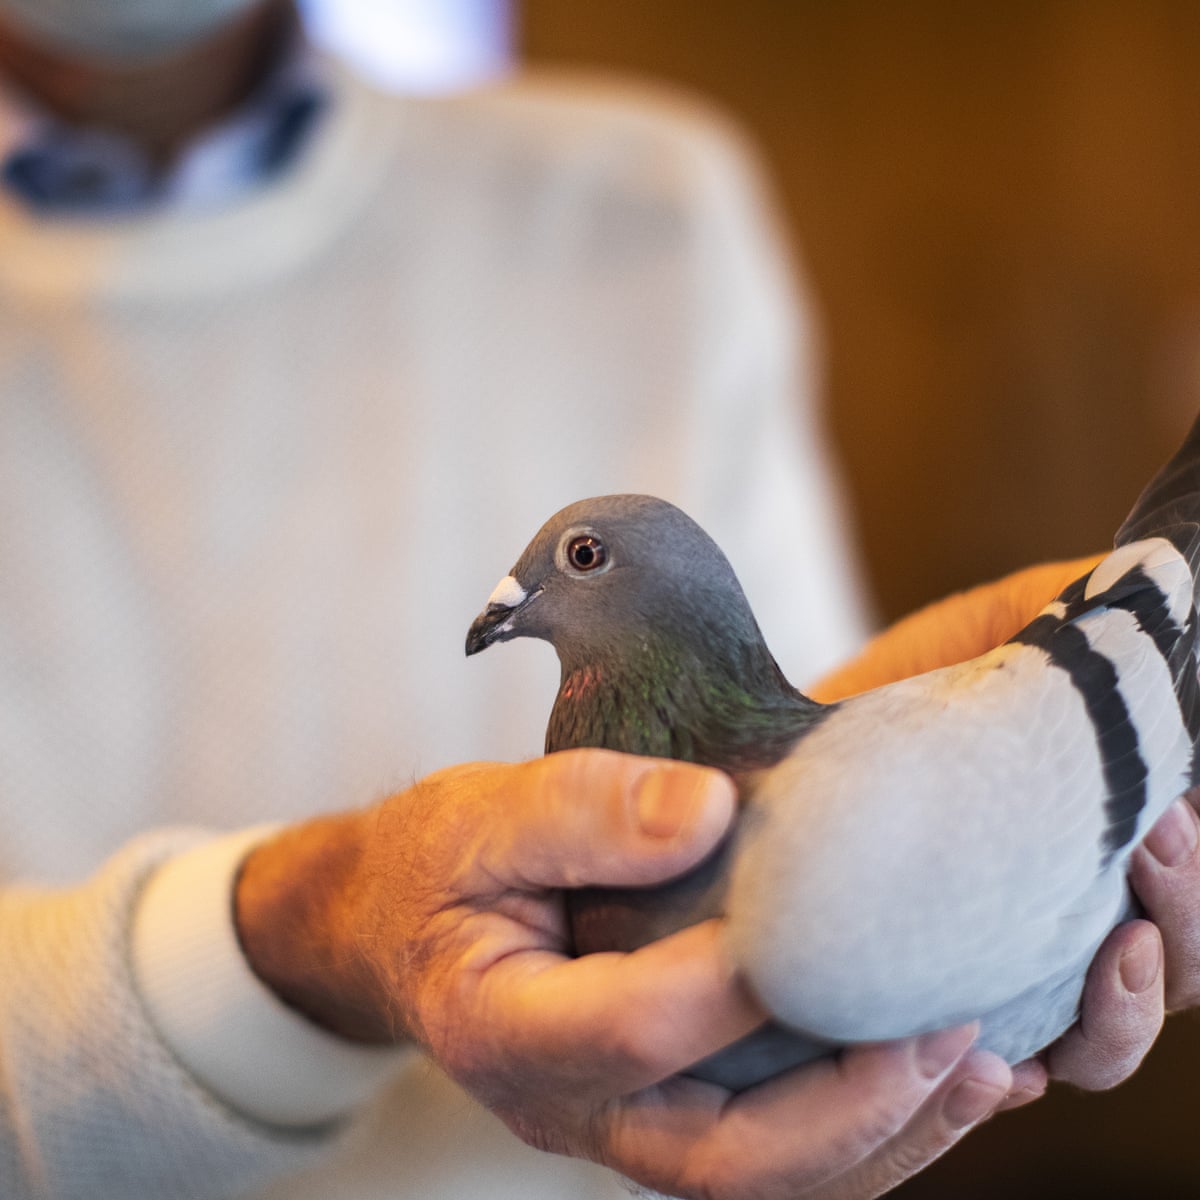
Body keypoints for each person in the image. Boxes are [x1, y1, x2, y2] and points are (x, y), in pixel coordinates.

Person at [0, 2, 1194, 1197]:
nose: (512, 596)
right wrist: (300, 945)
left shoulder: (647, 198)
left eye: (570, 564)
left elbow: (828, 758)